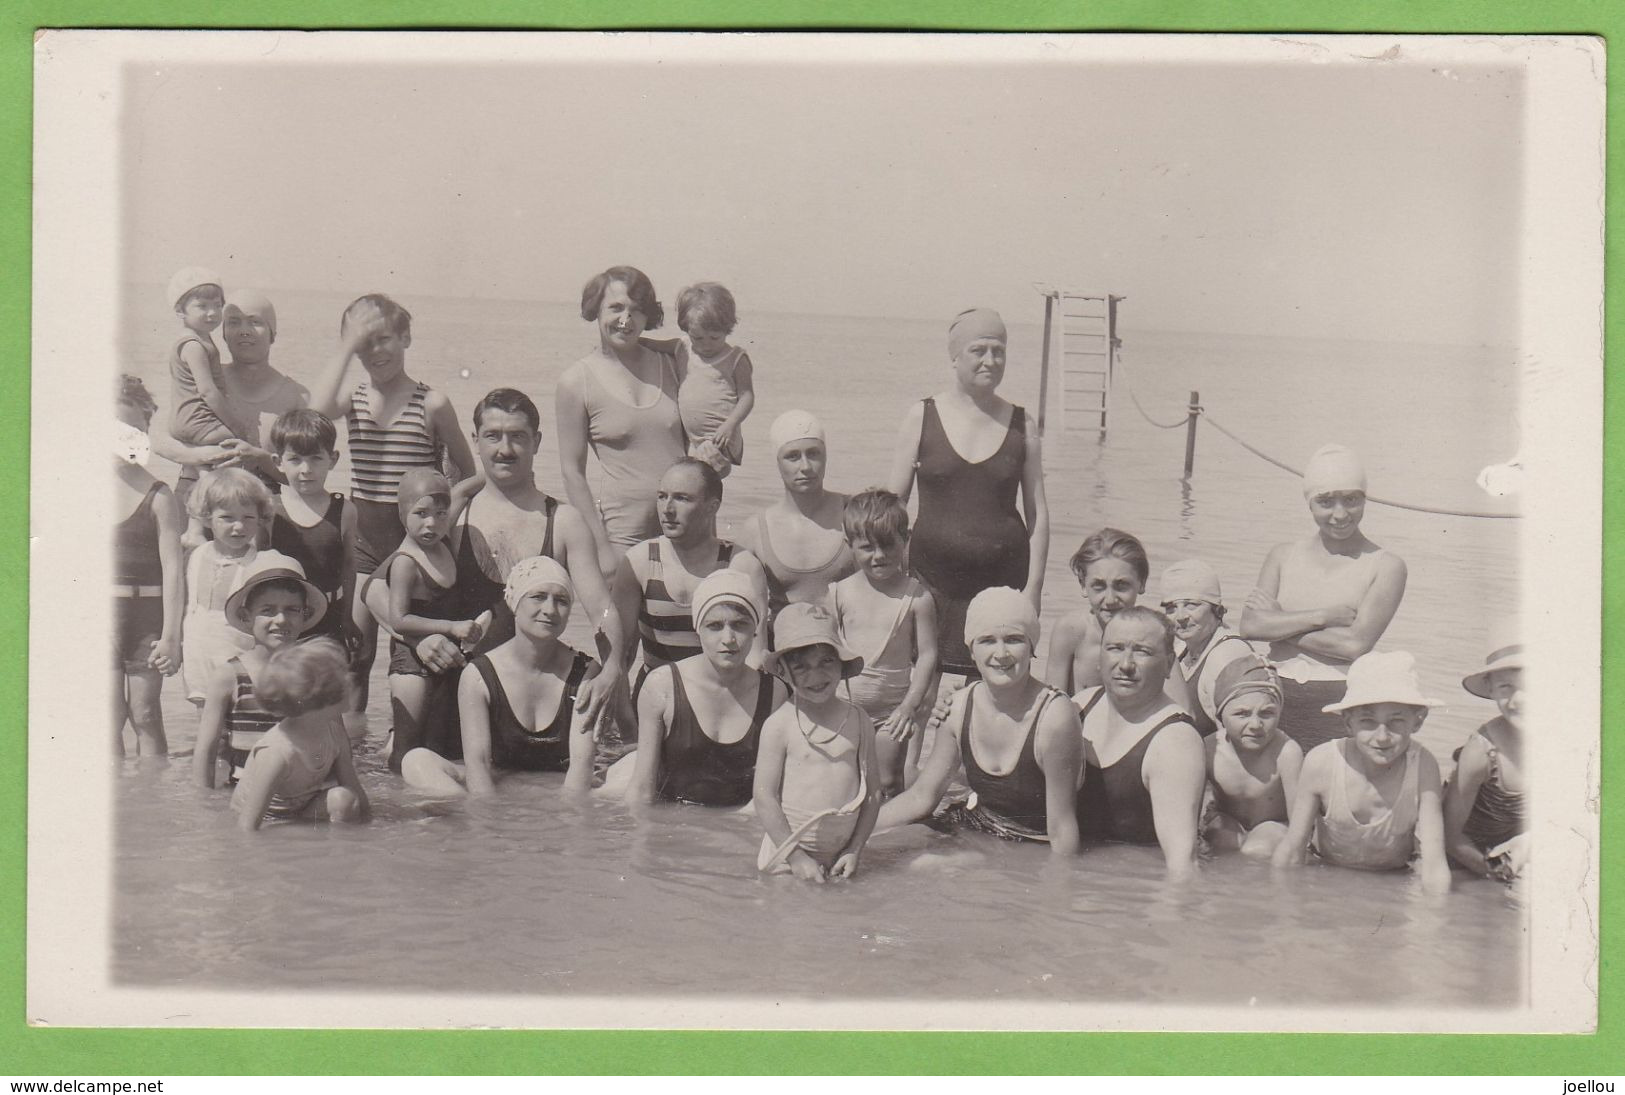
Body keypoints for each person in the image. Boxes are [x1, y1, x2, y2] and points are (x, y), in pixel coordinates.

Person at [308, 293, 476, 717]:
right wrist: (347, 345)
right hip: (365, 537)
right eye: (364, 344)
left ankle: (407, 740)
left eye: (383, 339)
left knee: (414, 653)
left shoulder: (431, 403)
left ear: (405, 338)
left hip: (414, 541)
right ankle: (354, 748)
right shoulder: (355, 400)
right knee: (356, 656)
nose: (374, 351)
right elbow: (316, 413)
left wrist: (442, 526)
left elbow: (465, 472)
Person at [887, 307, 1049, 680]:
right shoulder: (922, 415)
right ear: (955, 356)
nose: (990, 360)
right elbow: (892, 510)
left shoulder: (1023, 423)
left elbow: (1037, 514)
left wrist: (1034, 589)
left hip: (1003, 579)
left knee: (997, 688)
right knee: (922, 691)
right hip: (932, 582)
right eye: (979, 350)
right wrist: (893, 582)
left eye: (999, 351)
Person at [451, 387, 625, 734]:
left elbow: (601, 610)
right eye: (493, 436)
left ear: (537, 441)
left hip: (537, 696)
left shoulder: (564, 521)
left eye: (517, 437)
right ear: (475, 440)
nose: (505, 449)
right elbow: (391, 586)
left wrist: (613, 669)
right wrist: (419, 641)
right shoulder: (454, 515)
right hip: (465, 690)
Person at [876, 587, 1081, 852]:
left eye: (1014, 639)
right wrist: (856, 830)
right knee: (873, 851)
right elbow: (922, 796)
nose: (1001, 653)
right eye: (987, 640)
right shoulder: (960, 706)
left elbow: (1061, 829)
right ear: (971, 651)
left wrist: (1061, 890)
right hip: (973, 827)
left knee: (932, 868)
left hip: (1029, 846)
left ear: (1032, 646)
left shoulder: (1054, 716)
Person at [1239, 443, 1408, 751]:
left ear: (1364, 499)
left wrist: (1279, 623)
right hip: (1272, 694)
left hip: (1340, 701)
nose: (1340, 514)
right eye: (1326, 502)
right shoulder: (1282, 556)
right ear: (1310, 503)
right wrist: (1321, 618)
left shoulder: (1386, 565)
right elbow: (1249, 626)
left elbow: (1354, 646)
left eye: (1351, 500)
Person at [400, 557, 600, 796]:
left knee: (632, 765)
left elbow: (582, 768)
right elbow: (479, 766)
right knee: (416, 761)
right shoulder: (479, 674)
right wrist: (492, 826)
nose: (550, 610)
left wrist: (563, 822)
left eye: (561, 601)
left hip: (562, 787)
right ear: (514, 603)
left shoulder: (586, 671)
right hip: (501, 784)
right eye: (538, 597)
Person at [1272, 651, 1451, 893]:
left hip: (1393, 879)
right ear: (1348, 722)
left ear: (1417, 721)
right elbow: (1293, 849)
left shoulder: (1423, 766)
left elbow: (1433, 863)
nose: (1382, 736)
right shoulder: (1323, 762)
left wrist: (1438, 919)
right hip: (1326, 870)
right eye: (1367, 721)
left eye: (1396, 721)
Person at [555, 265, 688, 573]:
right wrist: (600, 547)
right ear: (596, 309)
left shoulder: (672, 365)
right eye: (615, 307)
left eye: (637, 310)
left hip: (687, 528)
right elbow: (572, 472)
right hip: (622, 537)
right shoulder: (576, 381)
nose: (626, 320)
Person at [362, 469, 490, 778]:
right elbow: (399, 620)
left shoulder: (442, 540)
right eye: (420, 514)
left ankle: (431, 818)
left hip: (442, 661)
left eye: (440, 513)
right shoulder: (406, 562)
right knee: (407, 747)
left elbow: (460, 490)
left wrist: (493, 475)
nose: (431, 522)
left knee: (434, 744)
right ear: (402, 513)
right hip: (410, 665)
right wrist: (450, 627)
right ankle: (396, 804)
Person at [622, 569, 787, 808]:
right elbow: (641, 789)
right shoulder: (662, 686)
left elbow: (770, 796)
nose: (728, 638)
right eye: (715, 626)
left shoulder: (775, 693)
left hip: (739, 820)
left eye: (740, 625)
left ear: (756, 629)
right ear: (698, 628)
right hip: (673, 819)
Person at [612, 458, 767, 697]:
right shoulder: (639, 561)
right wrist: (622, 712)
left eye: (682, 498)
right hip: (655, 698)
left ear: (712, 507)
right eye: (662, 496)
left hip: (720, 699)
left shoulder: (741, 565)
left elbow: (756, 655)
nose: (667, 509)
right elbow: (620, 654)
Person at [754, 604, 882, 882]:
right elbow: (764, 798)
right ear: (784, 672)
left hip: (842, 854)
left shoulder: (860, 721)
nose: (816, 676)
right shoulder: (779, 725)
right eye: (801, 667)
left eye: (826, 662)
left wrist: (855, 849)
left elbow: (872, 795)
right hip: (786, 852)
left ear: (841, 663)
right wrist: (796, 857)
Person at [1073, 606, 1206, 873]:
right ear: (1099, 655)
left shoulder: (1175, 741)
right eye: (1115, 648)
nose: (1125, 664)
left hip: (1135, 887)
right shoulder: (1079, 707)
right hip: (1079, 879)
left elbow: (1182, 862)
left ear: (1169, 664)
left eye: (1142, 651)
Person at [828, 488, 939, 795]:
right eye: (867, 547)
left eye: (888, 545)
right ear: (849, 545)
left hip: (893, 710)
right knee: (843, 779)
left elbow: (929, 655)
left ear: (906, 538)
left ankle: (889, 837)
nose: (879, 556)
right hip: (845, 705)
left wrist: (909, 706)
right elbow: (828, 650)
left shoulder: (916, 597)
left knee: (888, 781)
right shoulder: (839, 593)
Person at [192, 552, 328, 789]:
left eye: (292, 609)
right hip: (246, 790)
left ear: (305, 615)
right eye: (268, 609)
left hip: (303, 789)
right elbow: (206, 751)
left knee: (344, 804)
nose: (281, 619)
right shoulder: (229, 676)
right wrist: (204, 806)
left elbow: (334, 742)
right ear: (246, 616)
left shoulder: (315, 672)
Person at [113, 376, 184, 757]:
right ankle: (120, 806)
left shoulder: (159, 495)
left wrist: (172, 636)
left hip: (147, 619)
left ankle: (155, 803)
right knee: (106, 717)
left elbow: (173, 569)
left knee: (145, 714)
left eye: (137, 431)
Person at [231, 638, 369, 831]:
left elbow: (354, 789)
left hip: (301, 809)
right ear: (319, 699)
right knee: (342, 799)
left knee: (345, 799)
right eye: (342, 682)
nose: (350, 683)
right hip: (271, 821)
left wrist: (372, 832)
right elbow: (246, 826)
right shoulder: (277, 753)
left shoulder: (334, 732)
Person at [733, 410, 855, 620]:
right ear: (777, 462)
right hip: (783, 644)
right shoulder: (756, 530)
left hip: (846, 644)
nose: (805, 466)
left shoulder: (854, 512)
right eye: (792, 456)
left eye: (814, 453)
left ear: (826, 456)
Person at [267, 410, 358, 655]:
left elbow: (349, 567)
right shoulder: (270, 510)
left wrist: (348, 617)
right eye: (295, 459)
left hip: (330, 618)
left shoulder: (345, 510)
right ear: (278, 462)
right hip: (281, 622)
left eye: (316, 458)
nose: (306, 469)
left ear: (333, 459)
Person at [180, 468, 272, 706]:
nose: (239, 527)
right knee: (204, 729)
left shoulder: (257, 564)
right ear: (207, 517)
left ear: (260, 518)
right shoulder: (197, 555)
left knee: (239, 735)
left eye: (248, 518)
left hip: (239, 670)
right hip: (198, 662)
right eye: (227, 518)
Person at [1443, 621, 1526, 880]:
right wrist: (1495, 875)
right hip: (1466, 862)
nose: (1519, 700)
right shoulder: (1481, 752)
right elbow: (1450, 836)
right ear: (1490, 688)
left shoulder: (1567, 743)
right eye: (1506, 687)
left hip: (1517, 858)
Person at [1203, 655, 1303, 858]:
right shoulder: (1208, 748)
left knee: (1258, 849)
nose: (1255, 725)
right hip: (1226, 818)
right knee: (1221, 841)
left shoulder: (1287, 752)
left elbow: (1300, 825)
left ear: (1280, 713)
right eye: (1242, 714)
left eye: (1266, 714)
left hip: (1275, 824)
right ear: (1221, 715)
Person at [1158, 559, 1256, 737]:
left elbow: (1237, 741)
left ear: (1216, 609)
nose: (1180, 617)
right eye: (1171, 608)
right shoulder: (1181, 648)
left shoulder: (1228, 655)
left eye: (1191, 605)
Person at [163, 267, 232, 520]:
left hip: (185, 419)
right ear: (181, 311)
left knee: (208, 461)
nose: (212, 312)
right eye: (202, 306)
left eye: (217, 305)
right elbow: (207, 391)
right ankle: (203, 506)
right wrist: (235, 425)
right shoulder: (193, 345)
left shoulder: (201, 339)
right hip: (195, 420)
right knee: (236, 442)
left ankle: (203, 482)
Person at [1047, 528, 1150, 695]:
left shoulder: (1152, 634)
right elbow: (1051, 703)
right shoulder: (1071, 631)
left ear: (1142, 583)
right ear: (1083, 585)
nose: (1110, 599)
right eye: (1099, 586)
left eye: (1121, 585)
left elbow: (1182, 710)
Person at [672, 281, 756, 478]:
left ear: (727, 329)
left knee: (701, 474)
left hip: (722, 436)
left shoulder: (735, 358)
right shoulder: (683, 348)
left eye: (714, 337)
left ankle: (719, 468)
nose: (706, 345)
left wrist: (731, 424)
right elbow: (650, 346)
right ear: (687, 330)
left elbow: (747, 397)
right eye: (698, 338)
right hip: (696, 440)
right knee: (693, 478)